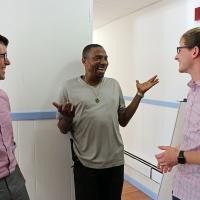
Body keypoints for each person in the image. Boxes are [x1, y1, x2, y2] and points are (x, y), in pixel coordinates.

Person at [53, 44, 158, 200]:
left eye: (105, 58)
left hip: (115, 161)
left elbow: (123, 120)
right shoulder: (69, 87)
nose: (104, 62)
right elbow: (62, 129)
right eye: (97, 58)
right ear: (84, 61)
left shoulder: (114, 85)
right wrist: (67, 118)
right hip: (85, 164)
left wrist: (139, 94)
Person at [155, 27, 200, 200]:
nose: (176, 56)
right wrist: (176, 152)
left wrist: (179, 156)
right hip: (182, 188)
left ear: (194, 51)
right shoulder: (193, 91)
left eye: (179, 50)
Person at [0, 35, 30, 200]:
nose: (8, 62)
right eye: (2, 56)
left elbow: (8, 141)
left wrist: (15, 169)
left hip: (15, 178)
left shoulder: (3, 97)